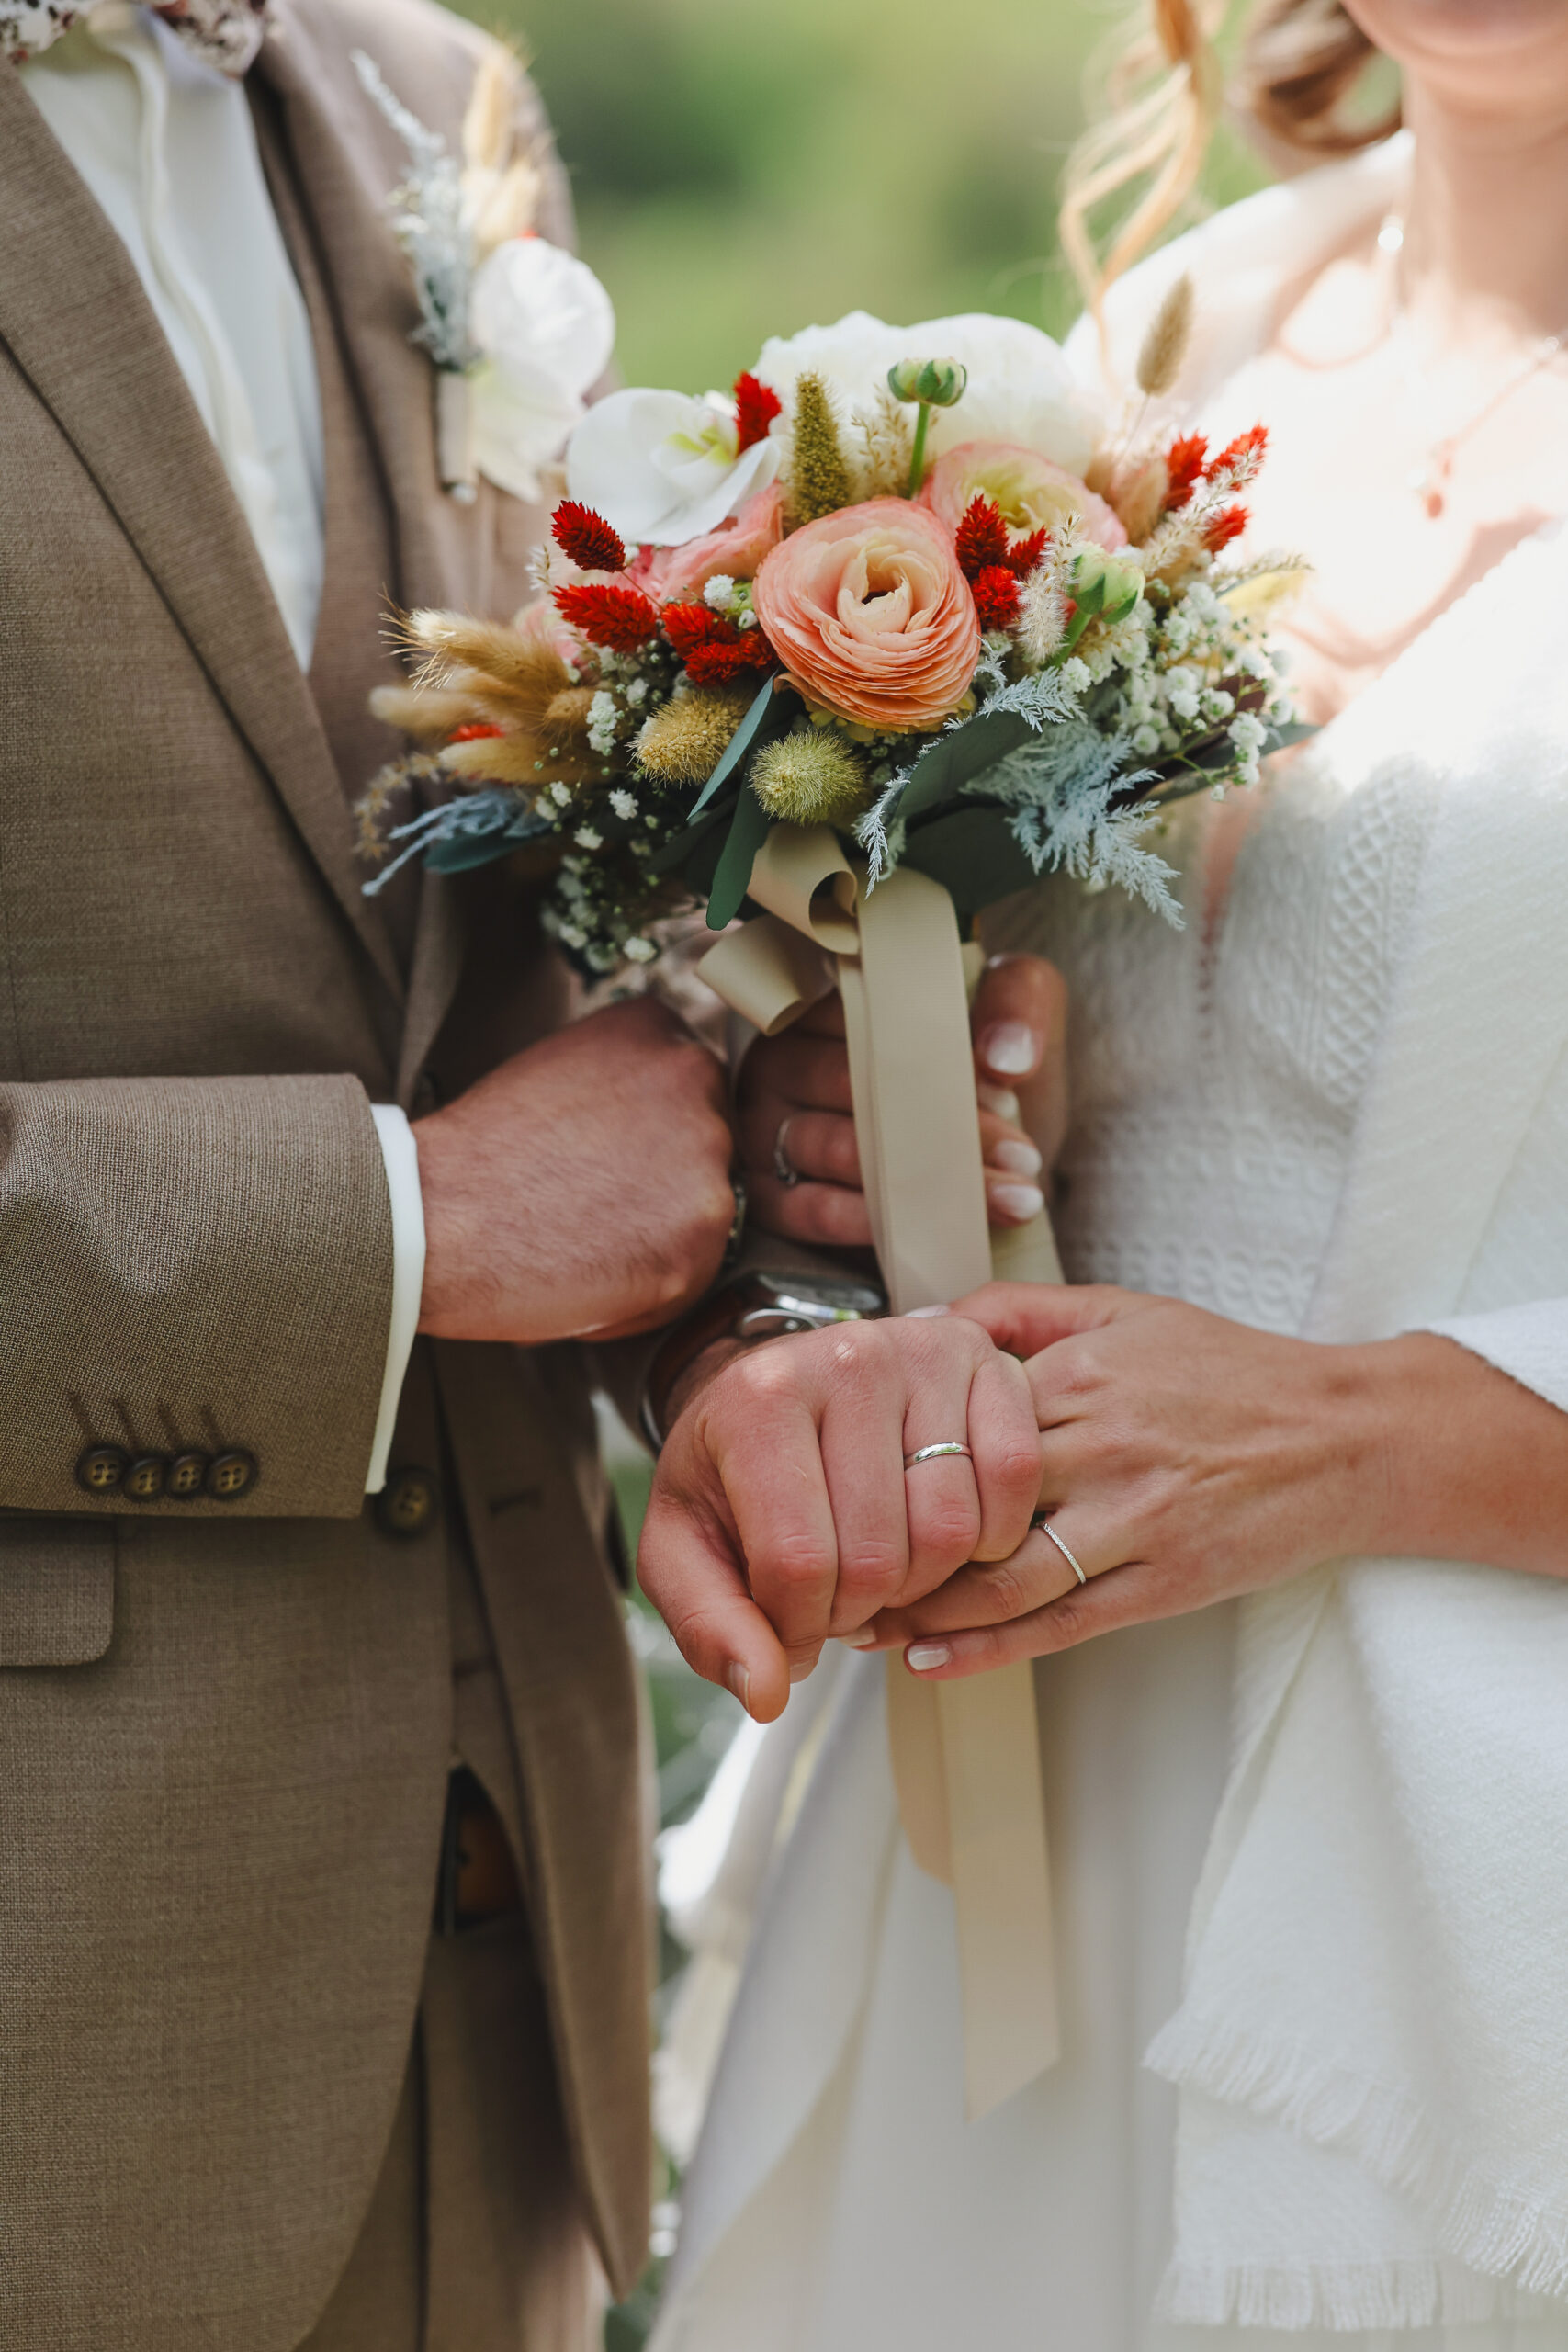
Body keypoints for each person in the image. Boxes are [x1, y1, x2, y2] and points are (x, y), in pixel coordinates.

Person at [638, 1, 1568, 2343]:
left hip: (1481, 1880)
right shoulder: (1175, 333)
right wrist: (903, 1115)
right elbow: (1023, 1022)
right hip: (1018, 1792)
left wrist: (1368, 1434)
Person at [0, 4, 750, 2346]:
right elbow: (455, 1180)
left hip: (493, 1979)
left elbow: (477, 966)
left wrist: (772, 1223)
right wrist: (403, 1232)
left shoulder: (427, 99)